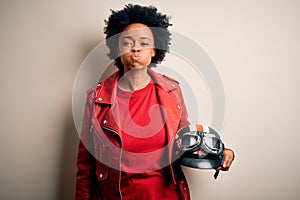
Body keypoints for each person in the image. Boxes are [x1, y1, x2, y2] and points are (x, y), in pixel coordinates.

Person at [75, 4, 234, 200]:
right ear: (117, 48)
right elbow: (85, 166)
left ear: (154, 50)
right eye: (127, 42)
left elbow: (183, 141)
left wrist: (219, 153)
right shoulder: (96, 99)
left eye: (143, 42)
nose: (135, 48)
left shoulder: (172, 91)